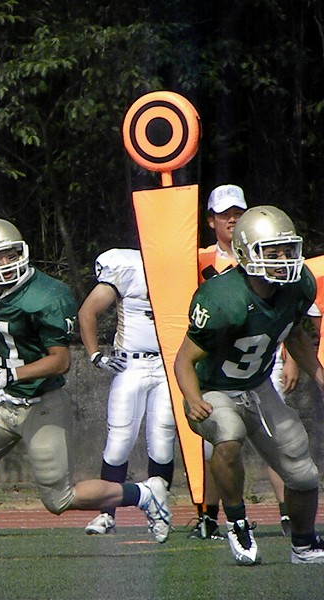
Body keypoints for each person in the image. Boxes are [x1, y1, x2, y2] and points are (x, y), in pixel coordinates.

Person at [0, 219, 171, 564]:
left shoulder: (47, 295)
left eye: (10, 255)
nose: (4, 265)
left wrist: (9, 374)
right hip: (7, 404)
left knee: (59, 499)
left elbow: (60, 361)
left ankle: (145, 494)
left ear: (22, 253)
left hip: (43, 404)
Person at [176, 205, 324, 565]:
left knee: (302, 471)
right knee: (228, 435)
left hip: (258, 386)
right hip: (213, 388)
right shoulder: (223, 299)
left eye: (287, 250)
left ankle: (303, 545)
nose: (283, 260)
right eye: (271, 253)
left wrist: (319, 376)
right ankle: (238, 522)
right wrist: (192, 398)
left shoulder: (298, 285)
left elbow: (294, 334)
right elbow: (184, 360)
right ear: (245, 254)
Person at [191, 184, 294, 539]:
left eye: (238, 213)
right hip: (220, 363)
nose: (232, 220)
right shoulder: (197, 259)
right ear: (211, 221)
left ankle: (289, 513)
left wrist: (292, 358)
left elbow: (290, 311)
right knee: (220, 442)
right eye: (225, 215)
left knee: (276, 439)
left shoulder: (272, 249)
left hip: (264, 359)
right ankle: (213, 516)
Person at [79, 248, 176, 535]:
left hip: (168, 365)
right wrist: (96, 355)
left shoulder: (183, 264)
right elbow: (88, 311)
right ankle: (106, 513)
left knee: (162, 442)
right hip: (131, 364)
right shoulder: (129, 266)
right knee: (119, 442)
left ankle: (159, 513)